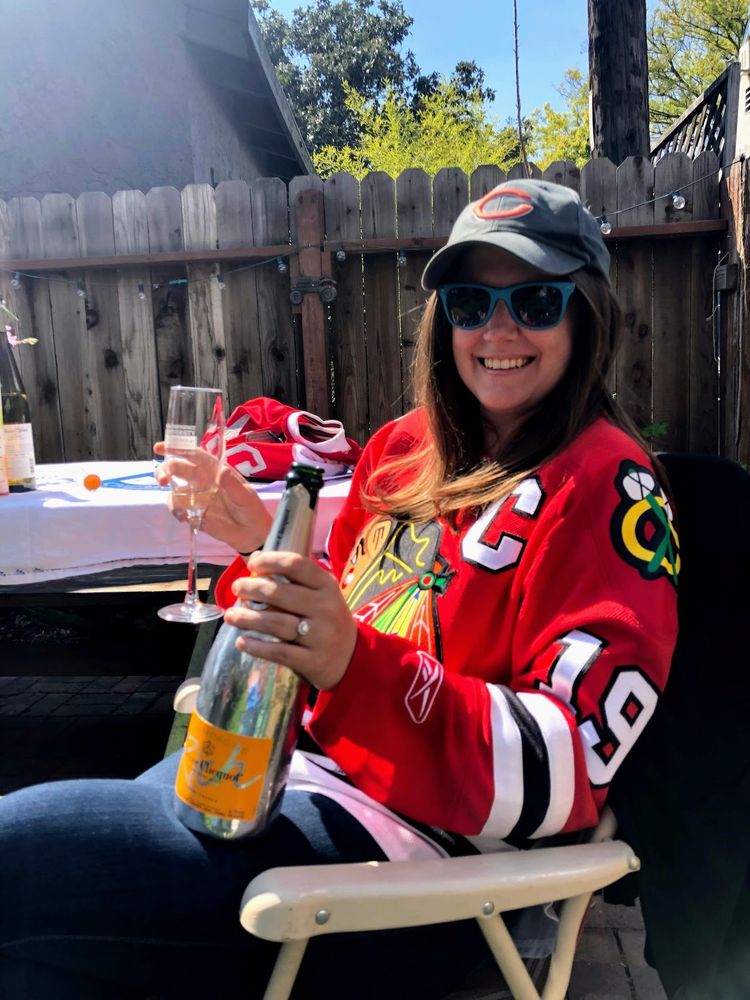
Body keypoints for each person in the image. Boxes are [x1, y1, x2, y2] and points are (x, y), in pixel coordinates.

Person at [0, 179, 679, 1000]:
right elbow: (350, 622)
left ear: (586, 315)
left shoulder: (609, 487)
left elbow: (569, 765)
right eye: (470, 302)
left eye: (536, 301)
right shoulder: (403, 449)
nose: (498, 329)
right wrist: (261, 542)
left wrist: (351, 667)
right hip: (281, 776)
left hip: (417, 874)